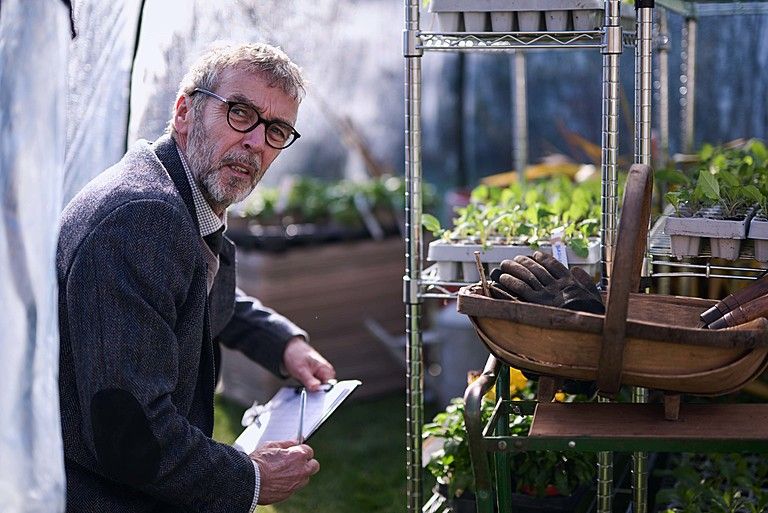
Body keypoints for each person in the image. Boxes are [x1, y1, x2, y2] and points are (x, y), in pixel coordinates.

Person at [57, 42, 336, 512]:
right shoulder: (142, 219)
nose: (256, 143)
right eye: (240, 113)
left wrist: (281, 342)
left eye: (276, 130)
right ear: (185, 112)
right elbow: (132, 434)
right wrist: (250, 479)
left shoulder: (172, 191)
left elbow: (187, 291)